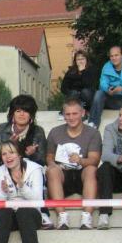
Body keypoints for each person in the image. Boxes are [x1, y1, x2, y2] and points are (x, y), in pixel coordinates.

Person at [0, 94, 52, 229]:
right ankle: (2, 215)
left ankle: (42, 212)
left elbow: (42, 161)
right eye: (18, 110)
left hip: (29, 171)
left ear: (31, 115)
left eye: (26, 111)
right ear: (12, 113)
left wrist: (33, 154)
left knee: (36, 174)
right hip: (8, 169)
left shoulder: (38, 131)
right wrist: (7, 146)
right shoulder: (3, 129)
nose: (22, 114)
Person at [46, 97, 102, 230]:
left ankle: (87, 216)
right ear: (63, 115)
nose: (71, 117)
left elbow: (95, 159)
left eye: (75, 113)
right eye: (67, 114)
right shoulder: (55, 132)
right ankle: (62, 216)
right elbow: (49, 157)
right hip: (63, 175)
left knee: (92, 169)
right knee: (52, 170)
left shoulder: (93, 133)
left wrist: (81, 160)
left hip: (83, 174)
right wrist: (53, 164)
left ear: (82, 113)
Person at [0, 140, 43, 243]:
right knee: (3, 212)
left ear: (19, 154)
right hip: (10, 217)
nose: (8, 157)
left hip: (31, 215)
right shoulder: (0, 171)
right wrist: (4, 192)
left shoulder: (35, 169)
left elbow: (38, 200)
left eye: (12, 152)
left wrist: (22, 186)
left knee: (24, 211)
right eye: (4, 154)